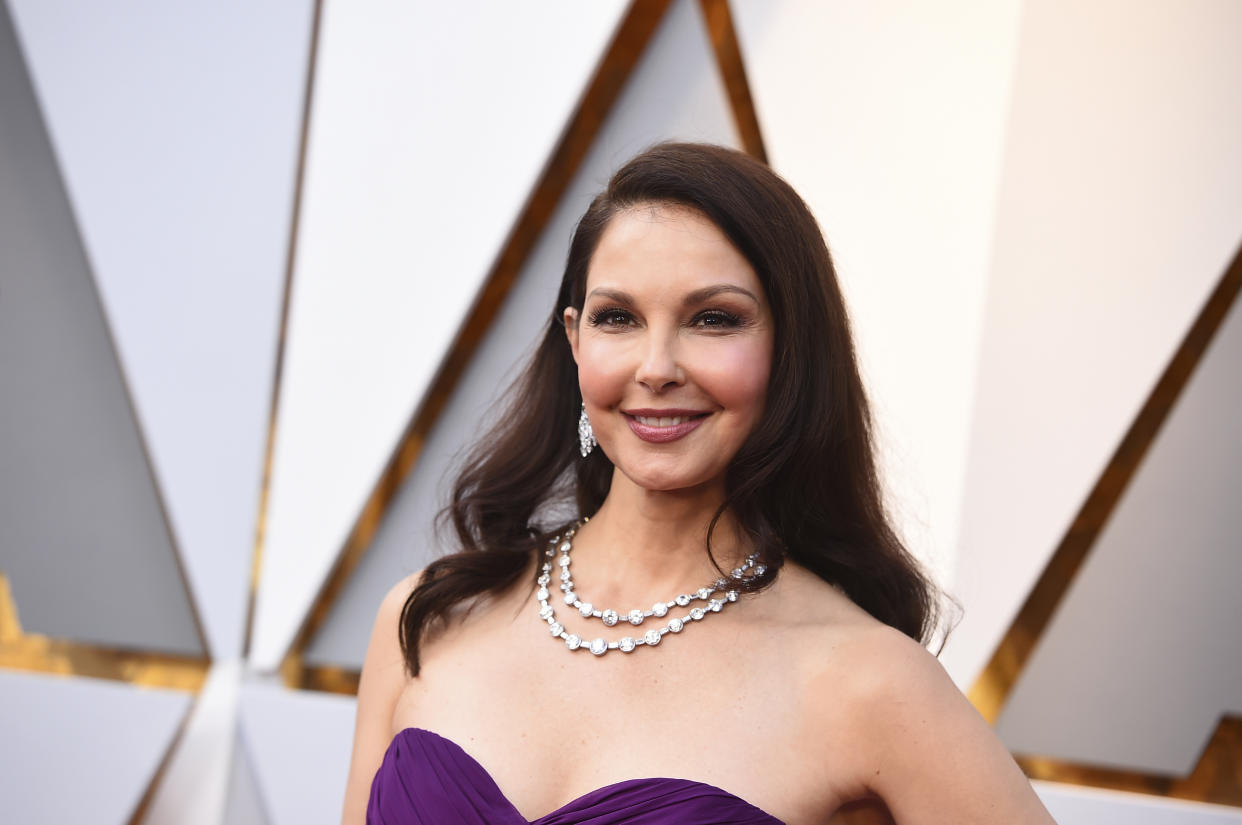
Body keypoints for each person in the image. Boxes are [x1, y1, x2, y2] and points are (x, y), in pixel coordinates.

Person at [341, 142, 1055, 825]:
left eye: (713, 319)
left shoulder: (869, 683)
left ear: (791, 349)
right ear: (575, 339)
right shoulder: (427, 619)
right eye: (617, 318)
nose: (657, 366)